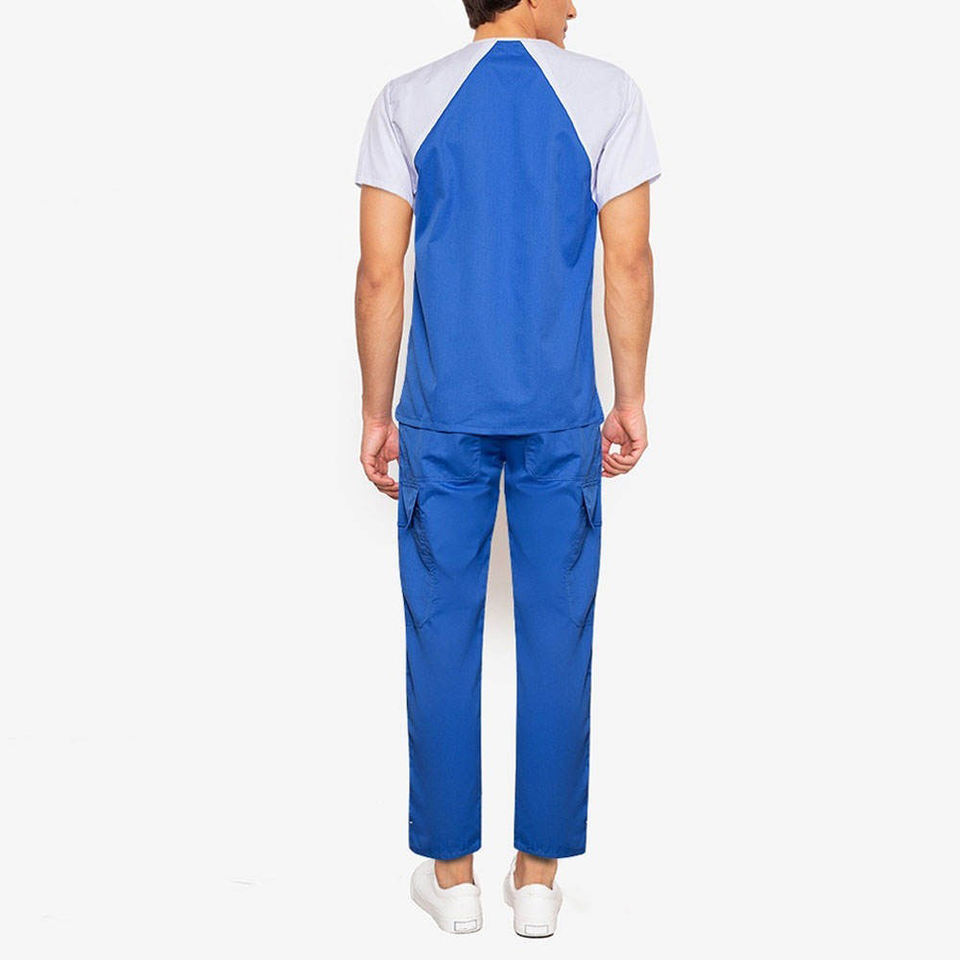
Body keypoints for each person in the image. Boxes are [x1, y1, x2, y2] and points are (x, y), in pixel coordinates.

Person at [354, 0, 659, 937]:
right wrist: (630, 397)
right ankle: (536, 882)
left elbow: (379, 271)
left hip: (441, 415)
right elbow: (630, 260)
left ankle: (452, 884)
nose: (575, 5)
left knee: (439, 635)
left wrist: (375, 411)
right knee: (559, 635)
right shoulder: (606, 93)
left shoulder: (408, 98)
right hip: (559, 415)